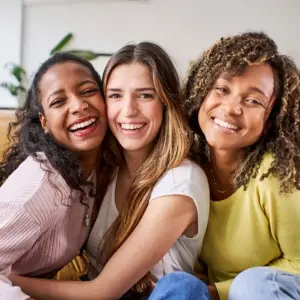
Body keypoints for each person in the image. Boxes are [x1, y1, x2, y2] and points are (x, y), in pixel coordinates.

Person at [9, 42, 210, 299]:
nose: (128, 111)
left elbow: (102, 291)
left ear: (165, 102)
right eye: (115, 95)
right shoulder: (101, 170)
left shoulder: (181, 181)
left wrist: (8, 280)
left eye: (145, 95)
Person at [147, 31, 300, 300]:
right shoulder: (186, 171)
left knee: (251, 285)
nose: (231, 108)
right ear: (202, 91)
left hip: (268, 292)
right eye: (222, 89)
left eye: (253, 100)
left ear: (272, 117)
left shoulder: (275, 176)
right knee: (178, 285)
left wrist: (219, 291)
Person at [0, 53, 107, 278]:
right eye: (58, 101)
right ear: (44, 122)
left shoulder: (98, 168)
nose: (79, 106)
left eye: (88, 91)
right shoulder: (40, 185)